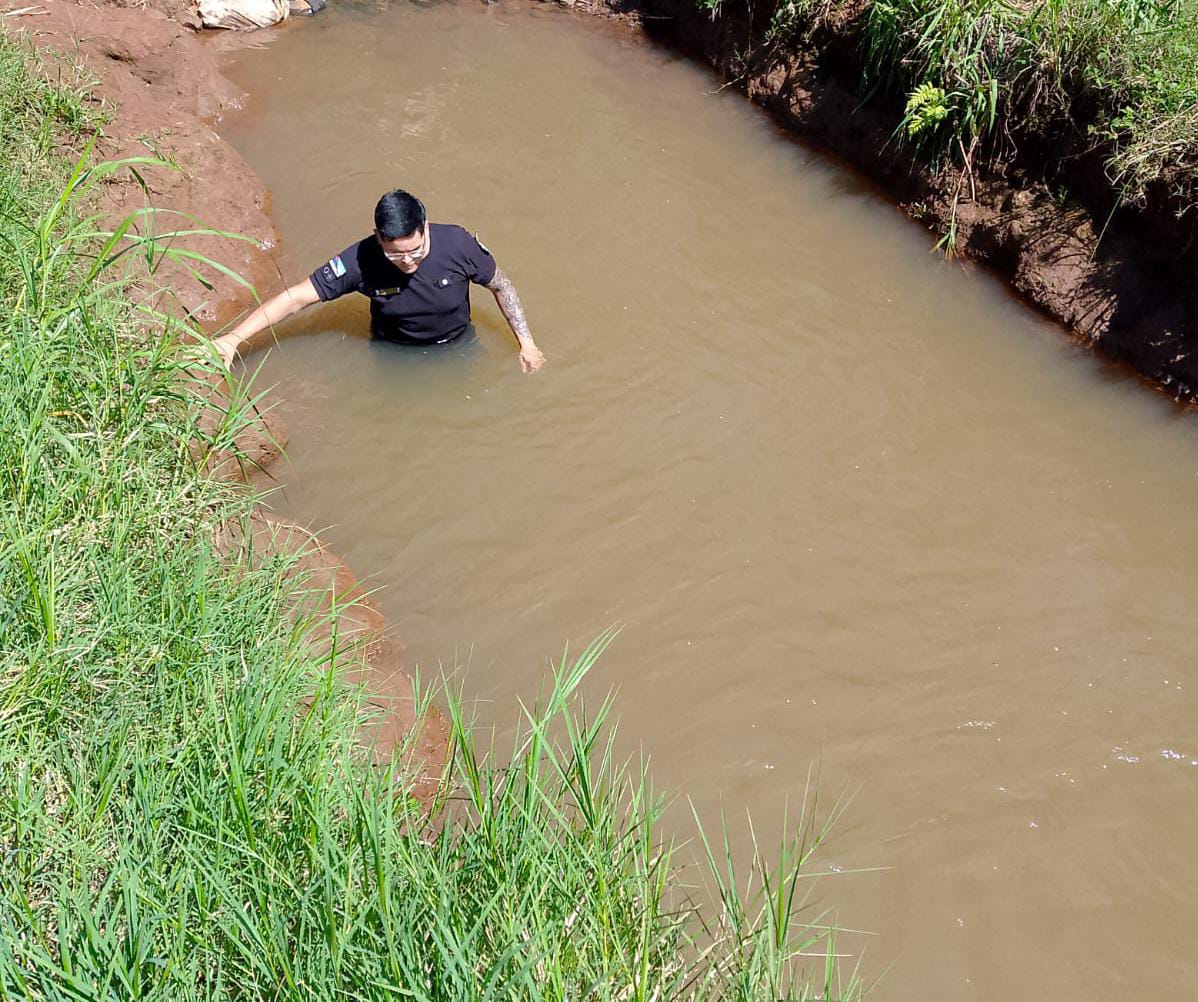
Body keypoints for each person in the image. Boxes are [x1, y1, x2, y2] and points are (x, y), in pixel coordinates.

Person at [212, 189, 546, 373]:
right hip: (393, 354)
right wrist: (231, 340)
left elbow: (501, 285)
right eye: (396, 255)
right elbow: (296, 298)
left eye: (416, 250)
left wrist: (526, 343)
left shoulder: (458, 245)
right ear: (378, 238)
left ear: (425, 229)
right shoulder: (360, 260)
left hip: (459, 345)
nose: (408, 261)